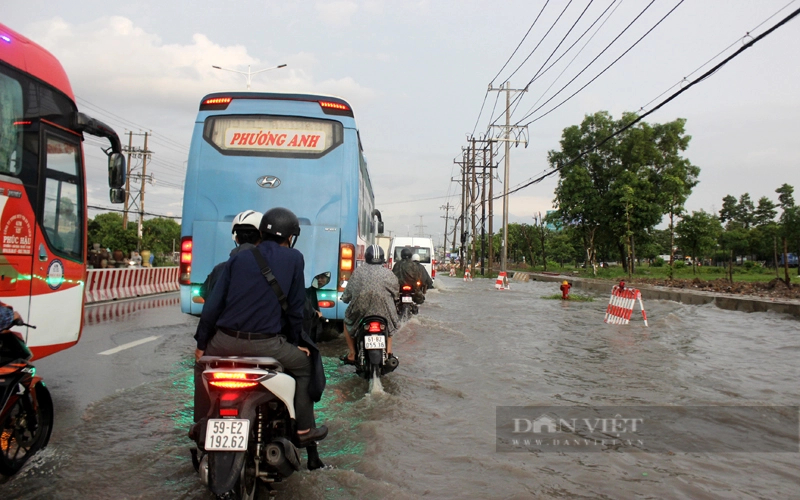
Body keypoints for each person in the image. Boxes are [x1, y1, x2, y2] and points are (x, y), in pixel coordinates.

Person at [192, 207, 327, 447]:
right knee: (305, 366)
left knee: (200, 367)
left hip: (223, 341)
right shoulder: (294, 258)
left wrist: (202, 344)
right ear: (290, 237)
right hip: (268, 345)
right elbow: (296, 308)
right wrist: (296, 342)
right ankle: (304, 429)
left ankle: (200, 424)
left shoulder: (239, 258)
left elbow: (213, 305)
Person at [340, 244, 400, 364]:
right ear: (382, 259)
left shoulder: (358, 273)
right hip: (384, 311)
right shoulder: (389, 274)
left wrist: (346, 299)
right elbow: (396, 294)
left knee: (346, 322)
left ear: (366, 258)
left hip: (361, 310)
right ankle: (388, 352)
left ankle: (352, 353)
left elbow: (347, 295)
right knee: (389, 325)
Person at [198, 210, 263, 300]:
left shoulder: (220, 269)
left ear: (236, 239)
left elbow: (204, 295)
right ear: (262, 238)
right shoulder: (274, 269)